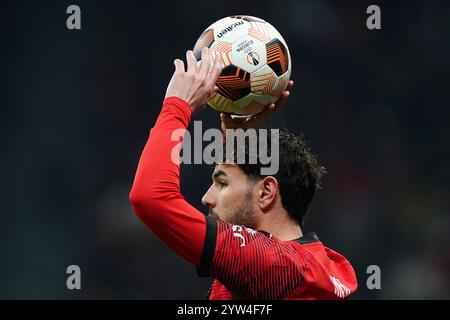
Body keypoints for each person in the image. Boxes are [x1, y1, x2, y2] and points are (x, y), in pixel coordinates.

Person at [129, 47, 357, 299]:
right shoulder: (314, 264)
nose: (206, 198)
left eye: (222, 184)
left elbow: (150, 198)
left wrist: (177, 105)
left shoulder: (273, 265)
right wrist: (236, 136)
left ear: (266, 192)